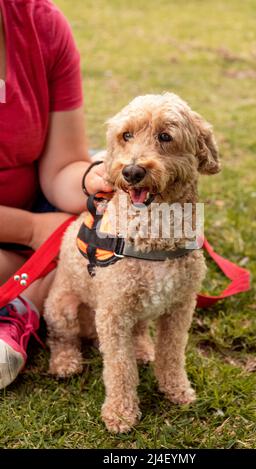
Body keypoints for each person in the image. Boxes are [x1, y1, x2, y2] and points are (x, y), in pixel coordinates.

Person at [0, 0, 112, 389]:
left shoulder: (42, 23)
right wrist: (31, 229)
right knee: (89, 253)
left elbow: (63, 168)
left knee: (113, 230)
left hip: (40, 209)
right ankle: (26, 301)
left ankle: (20, 302)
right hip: (31, 226)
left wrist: (95, 180)